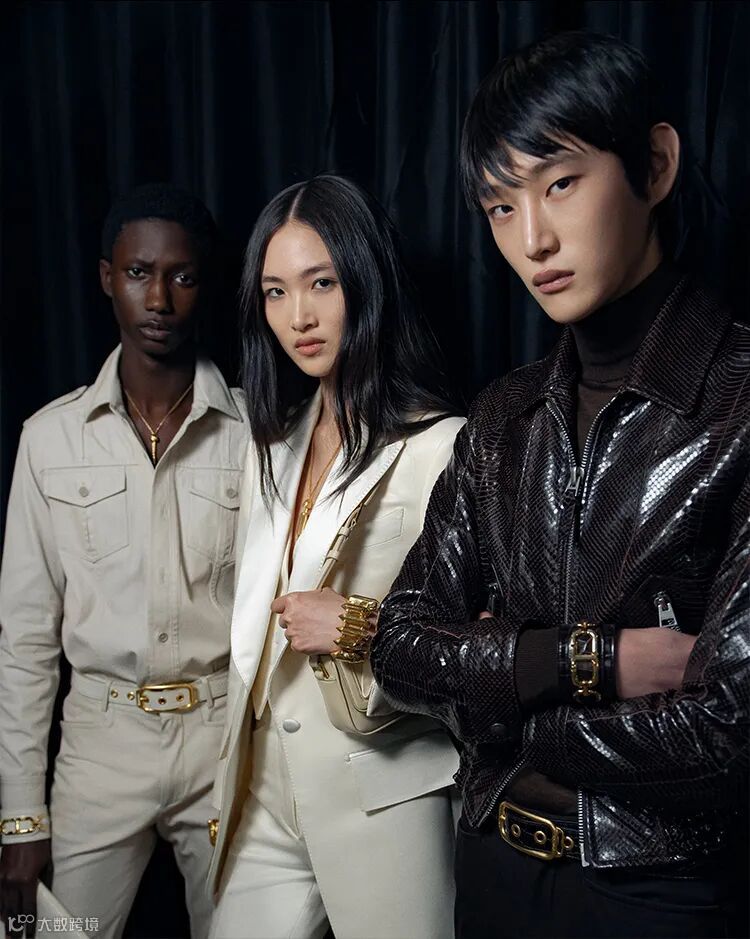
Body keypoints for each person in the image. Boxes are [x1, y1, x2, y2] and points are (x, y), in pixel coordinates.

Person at [371, 31, 749, 939]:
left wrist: (503, 701)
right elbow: (397, 643)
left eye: (562, 184)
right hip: (491, 872)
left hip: (657, 894)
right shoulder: (503, 417)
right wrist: (592, 662)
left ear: (655, 165)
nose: (533, 238)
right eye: (500, 207)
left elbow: (730, 732)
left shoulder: (738, 403)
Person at [207, 174, 464, 939]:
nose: (299, 316)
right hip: (262, 790)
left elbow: (474, 645)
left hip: (384, 792)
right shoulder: (273, 445)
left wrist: (354, 621)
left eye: (321, 282)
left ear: (365, 277)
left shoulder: (441, 446)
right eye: (276, 291)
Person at [0, 184, 249, 939]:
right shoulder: (49, 439)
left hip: (221, 736)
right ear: (108, 277)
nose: (160, 299)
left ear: (204, 284)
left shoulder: (257, 433)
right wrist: (20, 818)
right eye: (140, 273)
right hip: (100, 742)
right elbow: (25, 639)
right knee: (52, 932)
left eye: (182, 276)